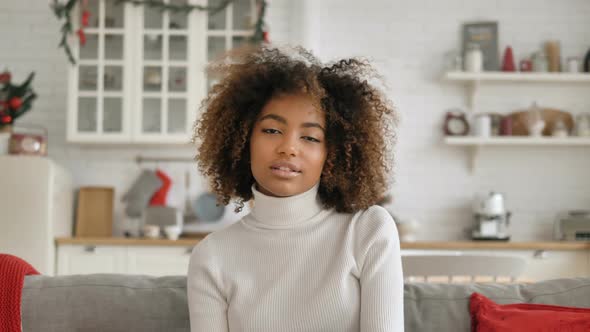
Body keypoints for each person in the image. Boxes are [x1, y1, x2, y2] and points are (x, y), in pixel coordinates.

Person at [187, 45, 403, 331]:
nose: (288, 148)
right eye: (272, 131)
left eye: (311, 137)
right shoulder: (211, 256)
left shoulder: (367, 231)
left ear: (332, 153)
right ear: (242, 140)